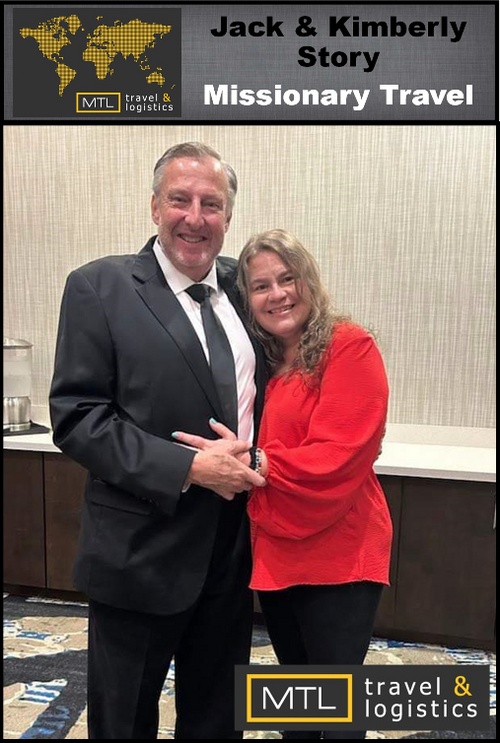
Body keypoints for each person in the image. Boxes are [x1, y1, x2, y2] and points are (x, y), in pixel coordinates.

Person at [49, 142, 268, 739]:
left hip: (233, 549)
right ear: (154, 207)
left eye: (211, 204)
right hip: (139, 552)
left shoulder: (247, 288)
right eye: (180, 200)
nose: (195, 217)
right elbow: (77, 417)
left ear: (228, 216)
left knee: (218, 716)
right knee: (124, 720)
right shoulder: (99, 287)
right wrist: (188, 468)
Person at [174, 229, 392, 740]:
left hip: (338, 551)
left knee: (338, 705)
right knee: (297, 700)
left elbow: (340, 452)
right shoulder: (266, 361)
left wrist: (254, 460)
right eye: (261, 286)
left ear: (308, 281)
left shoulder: (348, 346)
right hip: (277, 547)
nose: (278, 295)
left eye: (288, 279)